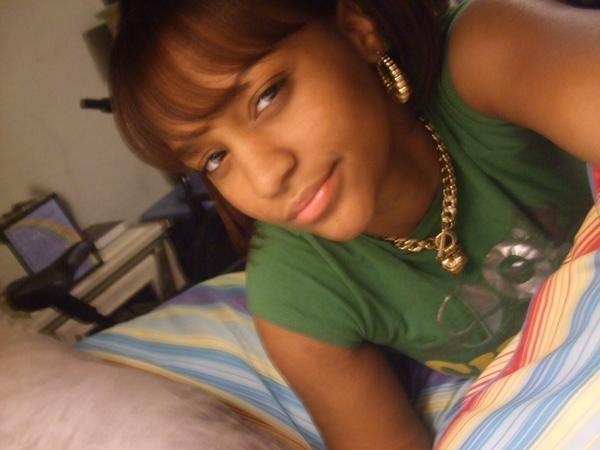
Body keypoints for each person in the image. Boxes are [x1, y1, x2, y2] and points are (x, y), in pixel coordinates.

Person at [109, 0, 600, 448]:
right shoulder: (295, 292)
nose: (266, 176)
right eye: (215, 158)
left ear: (358, 30)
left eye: (267, 96)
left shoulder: (486, 53)